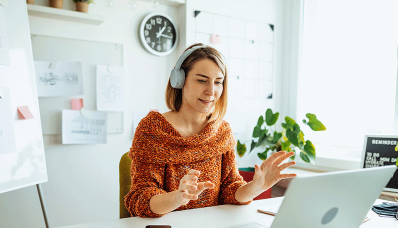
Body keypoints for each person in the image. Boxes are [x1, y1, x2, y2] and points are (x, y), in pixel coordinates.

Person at [124, 43, 296, 218]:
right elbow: (140, 199)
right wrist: (177, 198)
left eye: (218, 82)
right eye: (201, 80)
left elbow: (230, 188)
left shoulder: (222, 131)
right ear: (180, 81)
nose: (211, 91)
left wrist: (255, 187)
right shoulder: (152, 130)